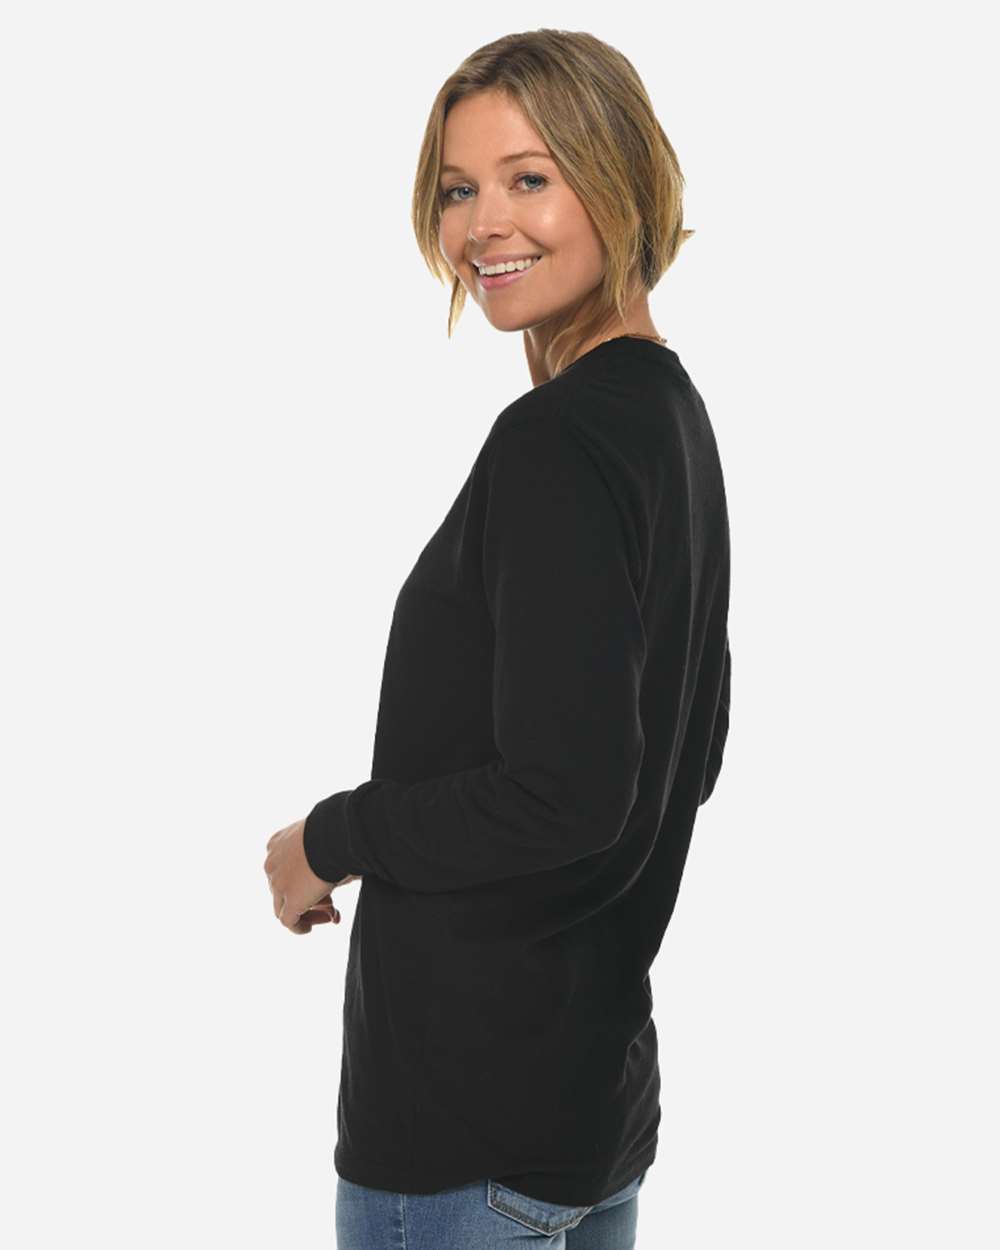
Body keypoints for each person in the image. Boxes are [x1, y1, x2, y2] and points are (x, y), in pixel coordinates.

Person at [264, 27, 732, 1250]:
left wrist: (327, 838)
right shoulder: (668, 418)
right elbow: (689, 748)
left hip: (460, 1136)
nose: (484, 226)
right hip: (586, 1108)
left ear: (619, 177)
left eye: (530, 178)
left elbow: (568, 789)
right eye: (457, 189)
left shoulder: (556, 442)